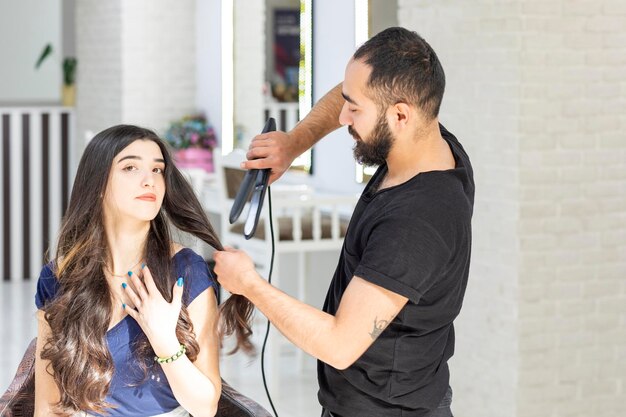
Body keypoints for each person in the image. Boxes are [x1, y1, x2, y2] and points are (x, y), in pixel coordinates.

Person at [214, 27, 474, 417]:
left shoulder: (416, 223)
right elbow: (349, 90)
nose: (343, 116)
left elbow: (340, 345)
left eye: (355, 109)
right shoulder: (427, 137)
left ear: (401, 114)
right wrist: (294, 143)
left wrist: (249, 285)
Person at [33, 125, 254, 417]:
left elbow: (205, 405)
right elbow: (47, 406)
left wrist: (163, 337)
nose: (149, 180)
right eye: (130, 167)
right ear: (97, 184)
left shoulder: (186, 271)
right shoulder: (58, 278)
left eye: (158, 170)